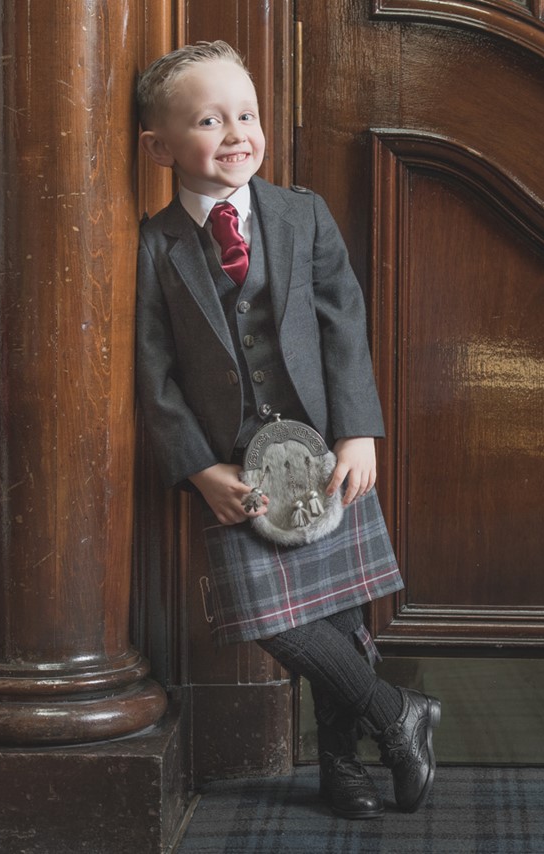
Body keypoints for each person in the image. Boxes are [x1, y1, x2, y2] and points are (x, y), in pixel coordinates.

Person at [134, 41, 440, 819]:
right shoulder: (153, 244)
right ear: (159, 148)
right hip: (236, 467)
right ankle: (396, 713)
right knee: (269, 620)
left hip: (323, 446)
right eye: (210, 120)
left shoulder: (303, 214)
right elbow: (154, 371)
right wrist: (198, 467)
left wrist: (359, 431)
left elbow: (344, 327)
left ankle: (342, 768)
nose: (237, 132)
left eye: (247, 114)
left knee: (340, 614)